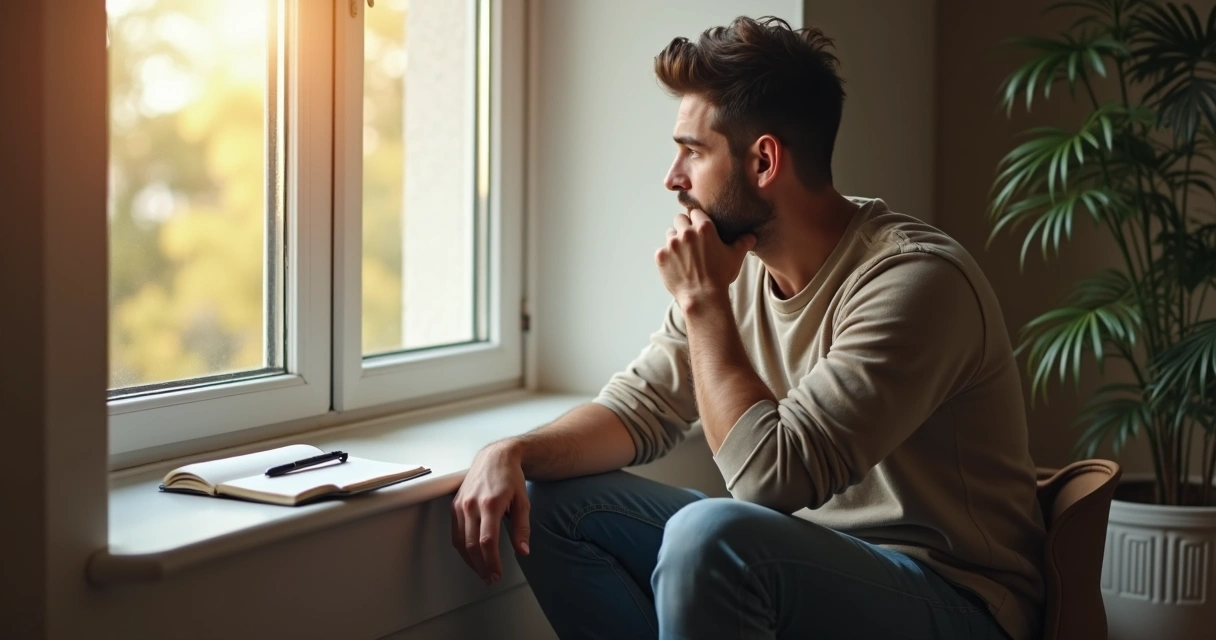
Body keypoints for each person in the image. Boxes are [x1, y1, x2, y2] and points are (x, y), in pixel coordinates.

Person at [450, 15, 1043, 640]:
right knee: (551, 504)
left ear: (763, 160)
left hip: (958, 602)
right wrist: (510, 451)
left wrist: (704, 301)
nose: (673, 178)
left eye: (693, 150)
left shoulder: (915, 282)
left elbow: (770, 480)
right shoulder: (742, 269)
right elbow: (639, 408)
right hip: (809, 564)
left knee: (711, 536)